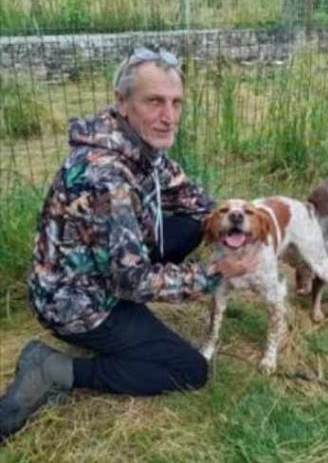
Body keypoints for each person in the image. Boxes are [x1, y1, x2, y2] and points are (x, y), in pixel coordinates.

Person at [0, 47, 257, 442]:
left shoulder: (142, 147)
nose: (168, 116)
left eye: (176, 103)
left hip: (102, 270)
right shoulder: (106, 178)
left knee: (194, 224)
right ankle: (52, 369)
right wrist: (212, 273)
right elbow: (131, 282)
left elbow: (191, 198)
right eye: (154, 101)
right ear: (122, 102)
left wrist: (237, 221)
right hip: (76, 303)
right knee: (189, 371)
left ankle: (130, 321)